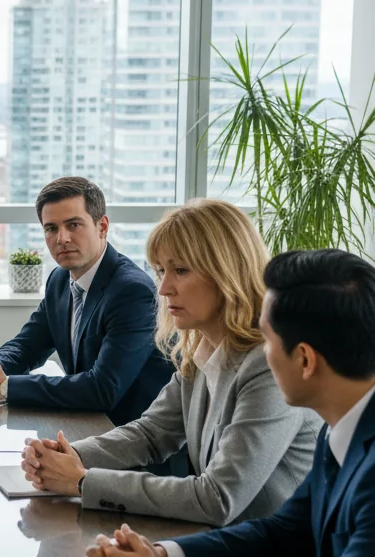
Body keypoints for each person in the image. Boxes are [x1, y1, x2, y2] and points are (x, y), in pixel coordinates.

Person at [81, 248, 375, 557]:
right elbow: (282, 536)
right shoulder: (342, 428)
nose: (259, 349)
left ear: (304, 359)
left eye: (267, 336)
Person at [22, 199, 320, 526]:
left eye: (180, 270)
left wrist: (82, 482)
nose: (163, 289)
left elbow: (218, 498)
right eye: (161, 271)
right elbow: (152, 433)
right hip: (221, 548)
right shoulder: (202, 353)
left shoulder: (269, 365)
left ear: (226, 271)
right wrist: (69, 455)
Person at [0, 177, 172, 426]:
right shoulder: (59, 280)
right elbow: (28, 346)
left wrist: (5, 386)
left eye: (74, 225)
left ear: (102, 226)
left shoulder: (132, 291)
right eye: (51, 228)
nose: (62, 238)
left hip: (130, 440)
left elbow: (103, 389)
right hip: (82, 424)